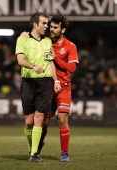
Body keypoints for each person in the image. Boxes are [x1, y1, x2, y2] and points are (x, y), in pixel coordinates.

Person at [15, 12, 61, 162]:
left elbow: (50, 63)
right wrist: (33, 66)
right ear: (35, 24)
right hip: (28, 83)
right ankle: (32, 149)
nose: (46, 26)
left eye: (47, 24)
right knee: (28, 121)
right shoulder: (22, 39)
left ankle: (34, 154)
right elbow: (20, 60)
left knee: (39, 117)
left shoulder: (47, 42)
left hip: (44, 83)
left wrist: (56, 81)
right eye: (44, 23)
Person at [37, 15, 79, 162]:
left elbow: (72, 68)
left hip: (63, 87)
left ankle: (64, 153)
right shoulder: (45, 41)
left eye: (55, 27)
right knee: (44, 123)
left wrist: (56, 57)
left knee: (62, 119)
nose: (51, 29)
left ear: (63, 29)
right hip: (47, 87)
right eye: (51, 26)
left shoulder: (70, 46)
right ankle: (39, 144)